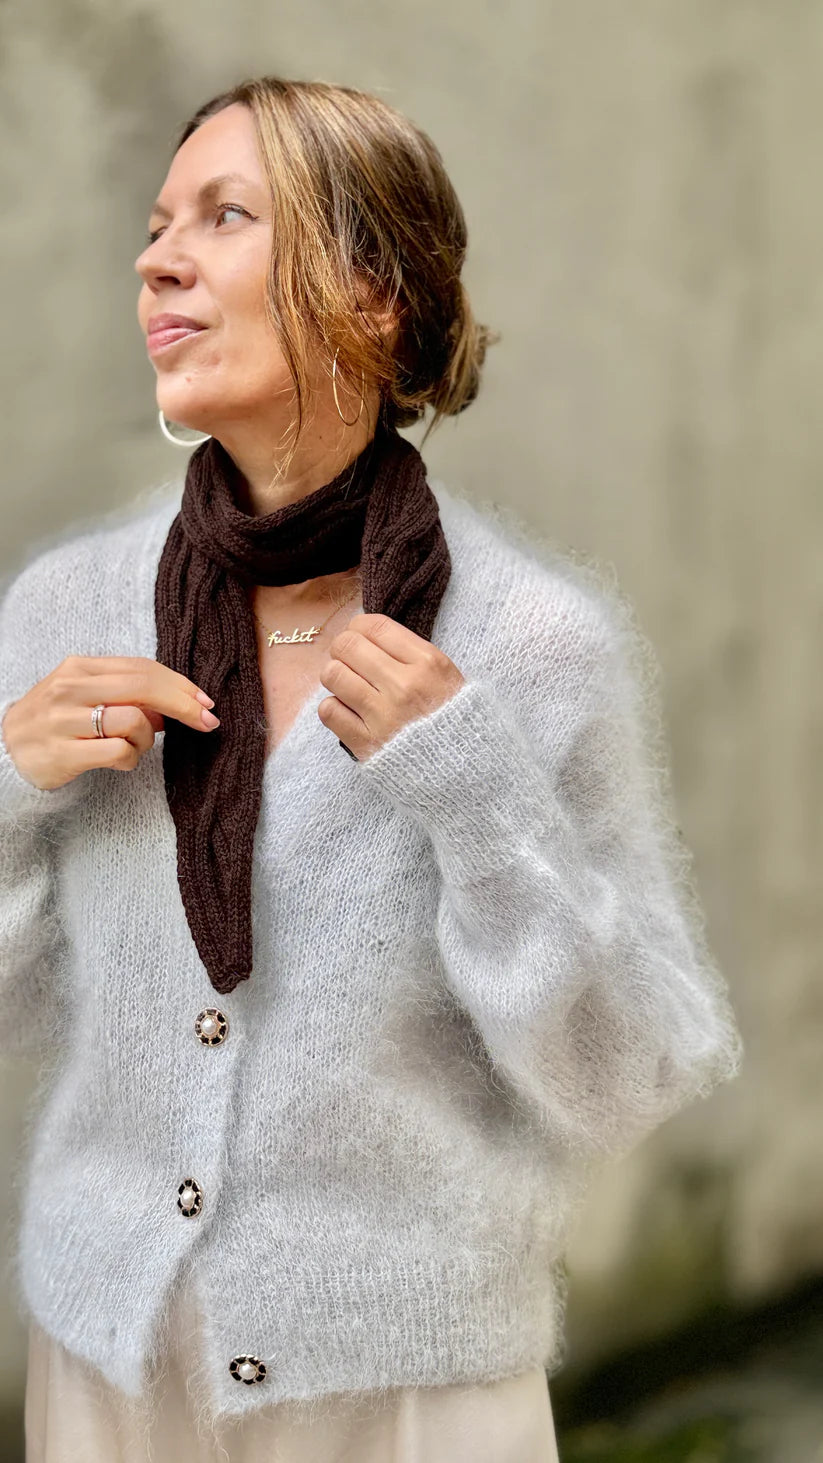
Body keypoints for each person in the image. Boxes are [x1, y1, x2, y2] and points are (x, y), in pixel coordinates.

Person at [0, 75, 744, 1462]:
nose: (157, 260)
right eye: (157, 226)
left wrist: (475, 791)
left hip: (408, 1390)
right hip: (110, 1374)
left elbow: (626, 1073)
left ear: (374, 293)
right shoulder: (66, 614)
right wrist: (5, 796)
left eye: (225, 216)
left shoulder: (533, 644)